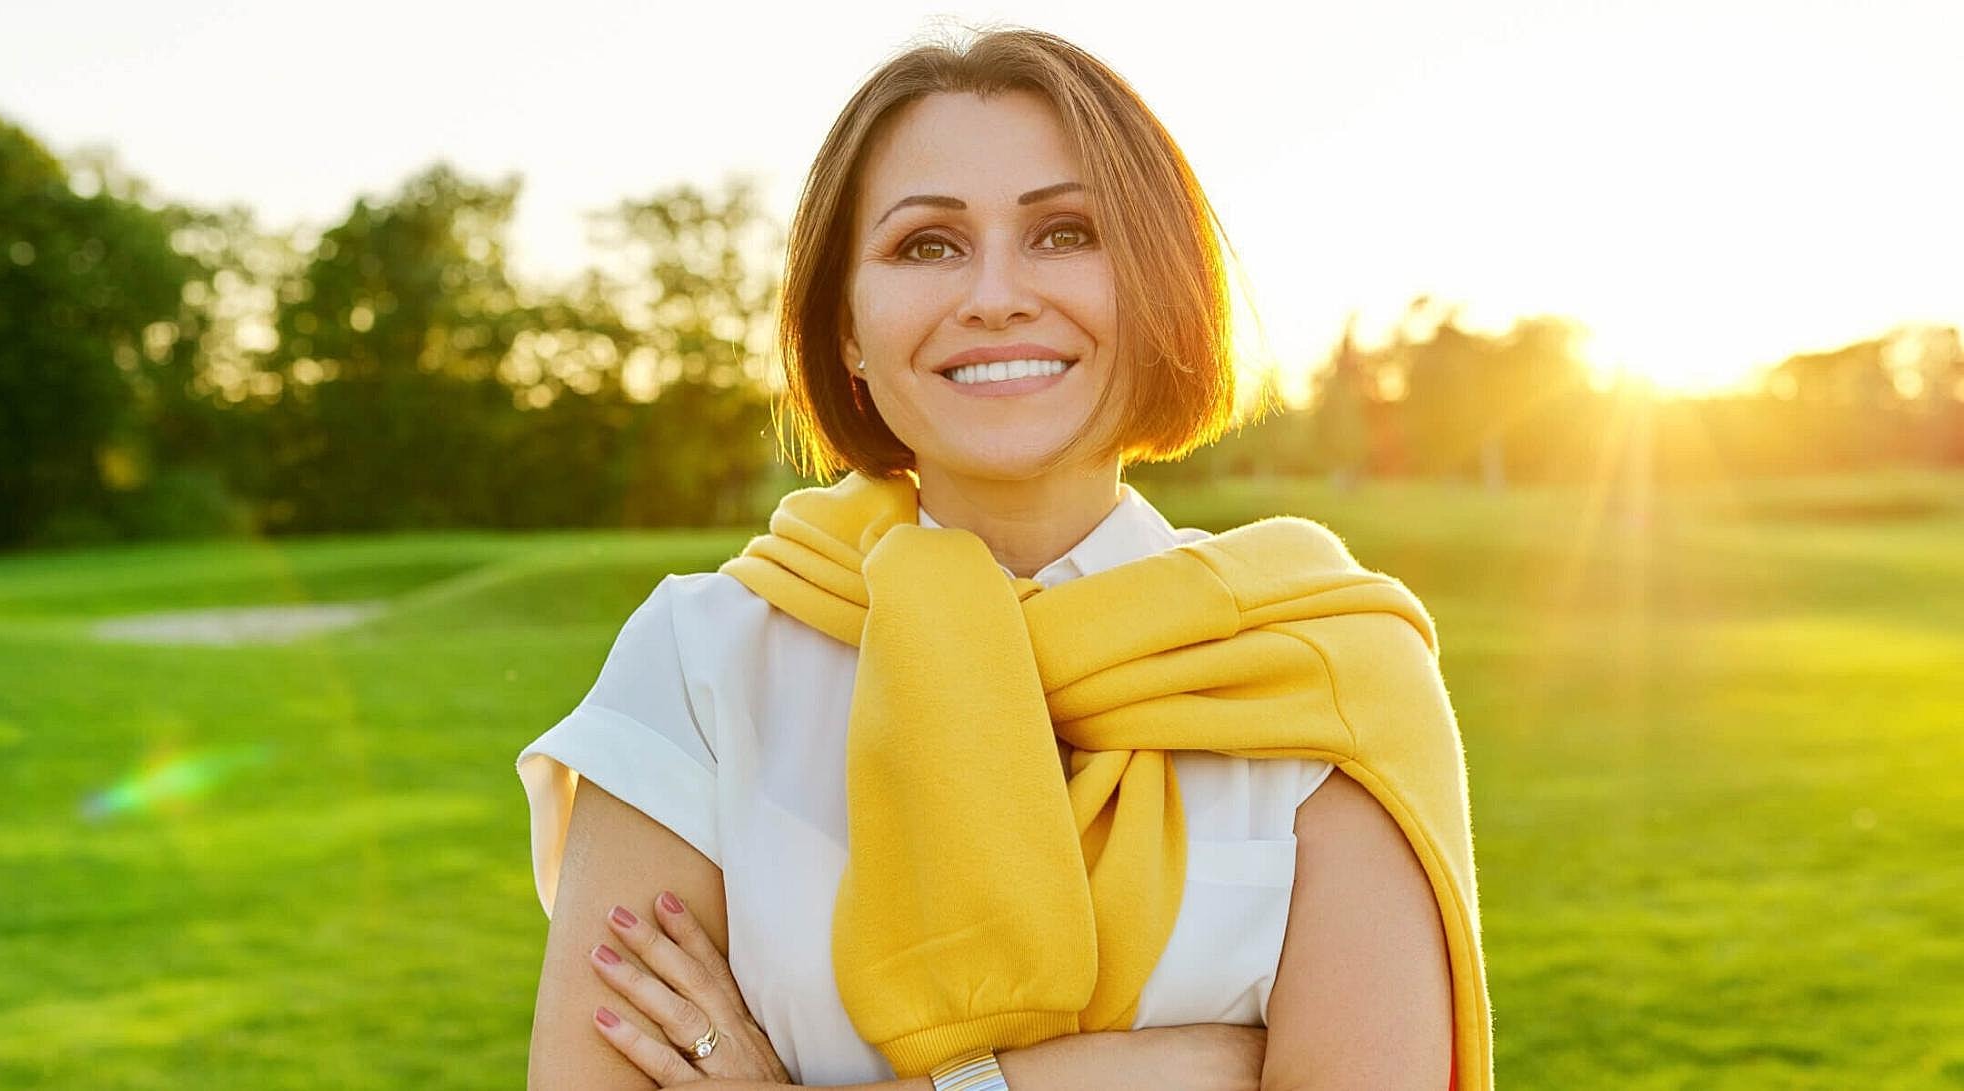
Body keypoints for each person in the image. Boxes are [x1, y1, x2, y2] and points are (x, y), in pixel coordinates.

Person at [517, 25, 1489, 1091]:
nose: (993, 294)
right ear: (845, 326)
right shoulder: (701, 664)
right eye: (925, 245)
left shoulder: (1322, 668)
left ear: (1160, 283)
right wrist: (1145, 1074)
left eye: (1064, 232)